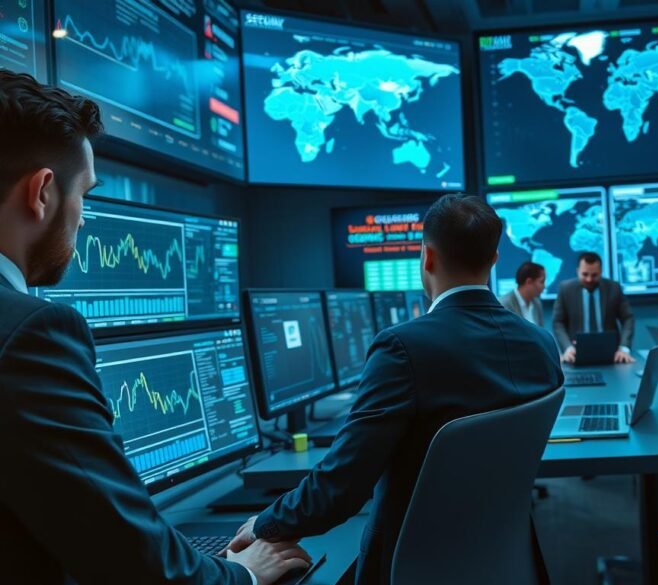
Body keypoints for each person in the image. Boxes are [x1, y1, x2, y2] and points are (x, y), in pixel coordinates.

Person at [0, 71, 309, 584]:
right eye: (86, 195)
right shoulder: (31, 334)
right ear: (42, 193)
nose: (82, 219)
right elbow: (132, 562)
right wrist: (243, 575)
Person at [226, 195, 564, 585]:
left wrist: (265, 524)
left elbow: (340, 488)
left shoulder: (402, 348)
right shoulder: (541, 344)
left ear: (427, 258)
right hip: (507, 557)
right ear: (494, 259)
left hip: (410, 565)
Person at [552, 251, 636, 364]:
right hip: (576, 354)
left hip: (612, 355)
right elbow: (558, 322)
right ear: (577, 271)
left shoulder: (613, 288)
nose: (589, 279)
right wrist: (567, 347)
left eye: (594, 275)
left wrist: (624, 348)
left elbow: (628, 318)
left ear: (601, 272)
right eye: (585, 274)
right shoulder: (565, 289)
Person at [499, 260, 545, 326]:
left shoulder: (537, 303)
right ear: (529, 282)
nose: (544, 286)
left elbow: (541, 331)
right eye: (542, 282)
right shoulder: (504, 304)